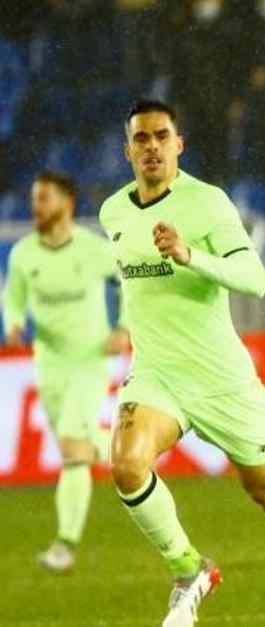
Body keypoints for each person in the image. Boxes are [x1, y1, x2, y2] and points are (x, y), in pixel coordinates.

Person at [99, 100, 265, 627]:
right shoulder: (114, 212)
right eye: (142, 139)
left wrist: (190, 256)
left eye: (162, 136)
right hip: (157, 374)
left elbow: (255, 280)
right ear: (128, 150)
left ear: (180, 144)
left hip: (219, 378)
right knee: (127, 465)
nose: (152, 146)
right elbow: (139, 286)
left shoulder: (207, 204)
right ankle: (189, 570)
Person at [3, 171, 130, 573]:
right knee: (76, 448)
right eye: (34, 199)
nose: (35, 206)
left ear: (66, 203)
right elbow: (15, 296)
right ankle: (124, 446)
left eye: (43, 198)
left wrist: (124, 327)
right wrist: (13, 323)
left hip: (90, 360)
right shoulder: (23, 253)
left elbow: (128, 280)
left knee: (73, 449)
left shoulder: (94, 250)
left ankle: (65, 545)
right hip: (49, 362)